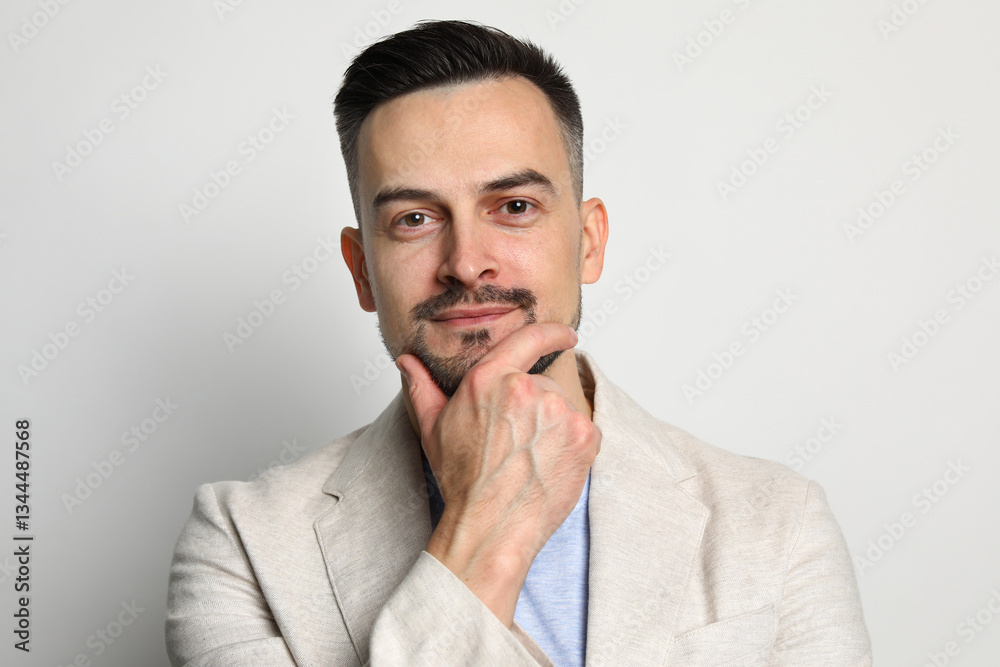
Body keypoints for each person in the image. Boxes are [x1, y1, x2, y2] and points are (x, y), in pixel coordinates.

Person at [166, 19, 872, 666]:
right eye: (414, 219)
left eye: (513, 206)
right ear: (361, 271)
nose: (467, 262)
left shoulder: (780, 525)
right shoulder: (244, 543)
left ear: (588, 242)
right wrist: (485, 530)